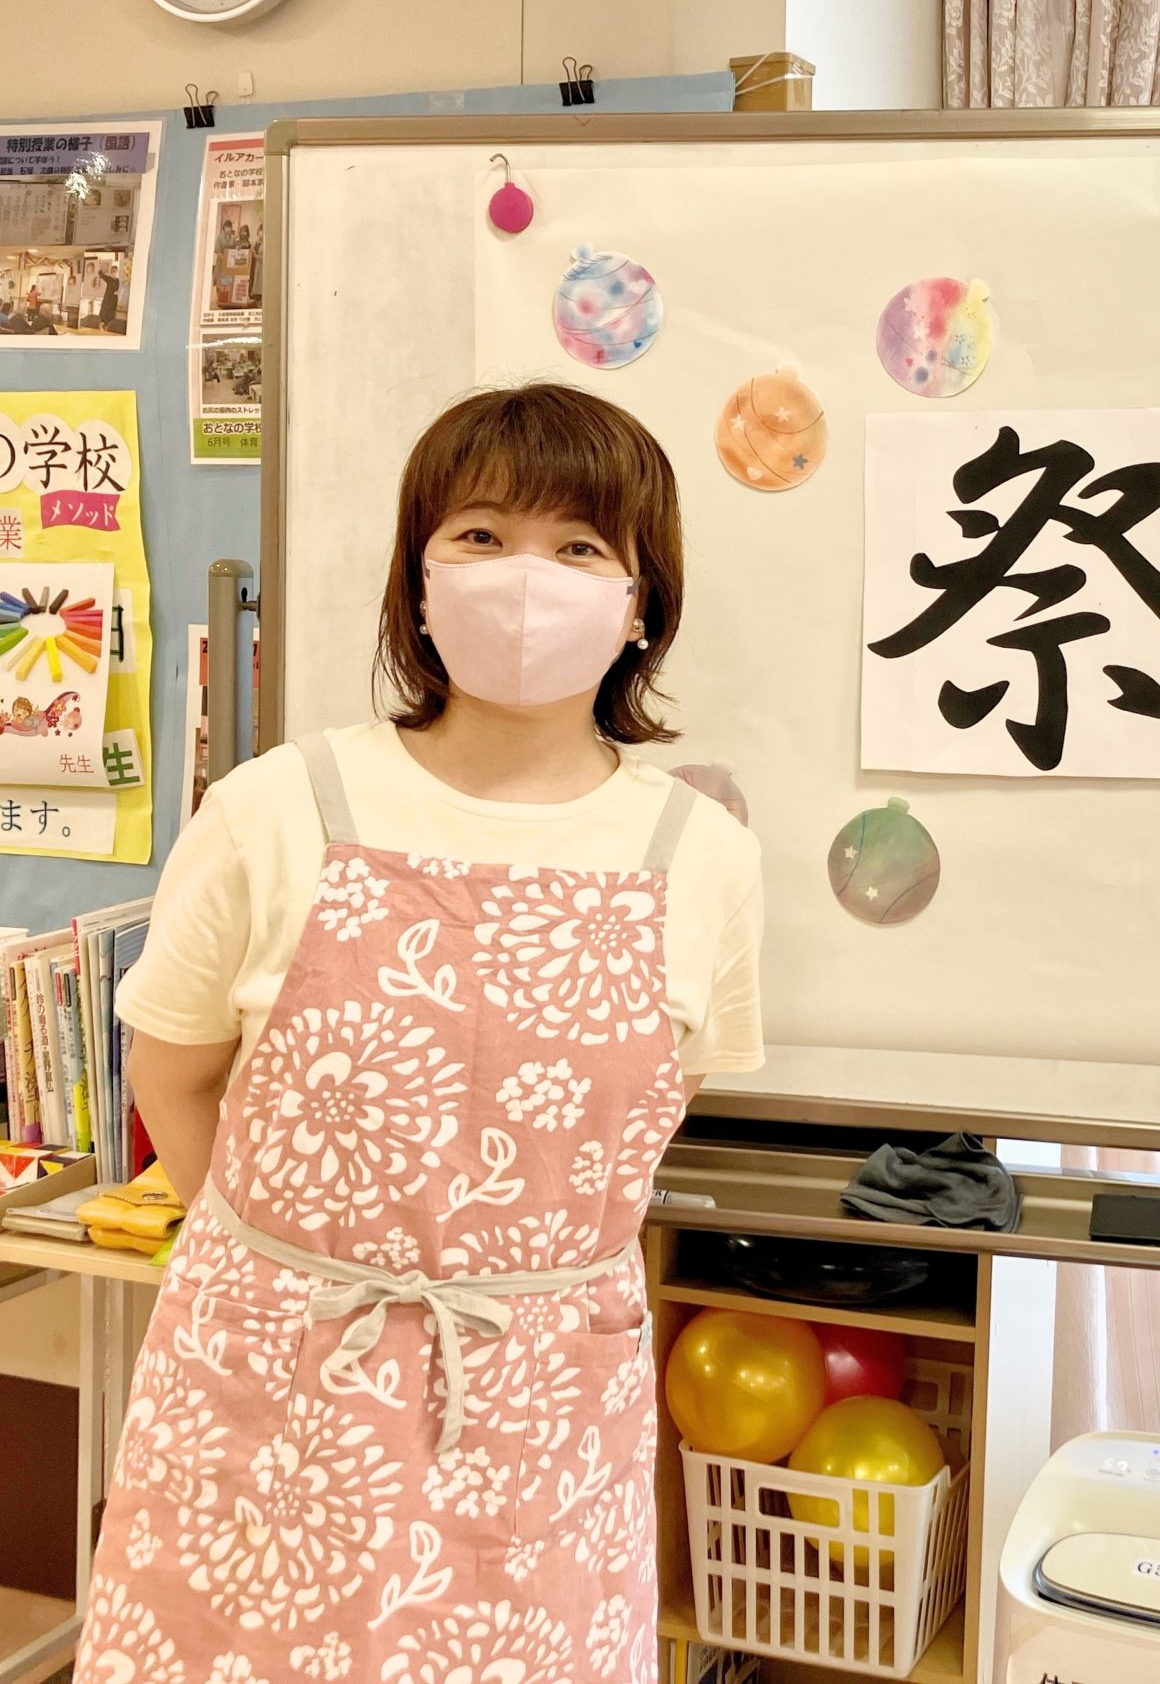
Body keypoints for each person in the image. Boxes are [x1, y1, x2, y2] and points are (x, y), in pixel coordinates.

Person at [73, 384, 764, 1684]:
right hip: (272, 1394)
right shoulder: (275, 808)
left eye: (580, 547)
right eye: (481, 534)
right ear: (418, 581)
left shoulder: (702, 856)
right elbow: (170, 1072)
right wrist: (287, 1277)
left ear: (642, 603)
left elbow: (662, 1102)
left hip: (543, 1417)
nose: (526, 579)